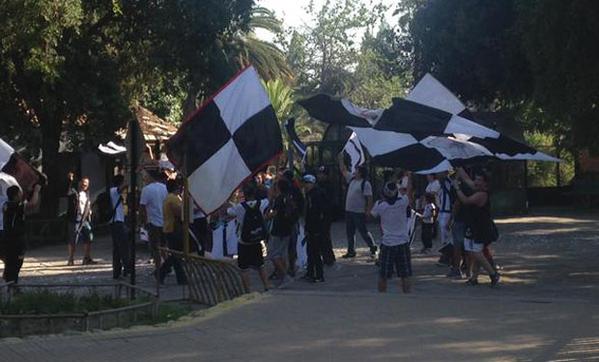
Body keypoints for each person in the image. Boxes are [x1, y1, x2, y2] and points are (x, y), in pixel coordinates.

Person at [451, 168, 500, 287]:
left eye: (479, 180)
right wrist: (458, 166)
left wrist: (457, 188)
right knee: (474, 251)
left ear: (485, 183)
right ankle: (474, 278)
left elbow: (466, 200)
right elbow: (467, 179)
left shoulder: (482, 194)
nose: (476, 181)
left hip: (481, 227)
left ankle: (493, 274)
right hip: (473, 225)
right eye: (476, 179)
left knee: (476, 252)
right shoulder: (477, 188)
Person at [370, 177, 413, 293]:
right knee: (405, 274)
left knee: (383, 275)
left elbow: (372, 214)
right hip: (403, 242)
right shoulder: (403, 202)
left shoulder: (380, 205)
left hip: (387, 243)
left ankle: (382, 298)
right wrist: (409, 176)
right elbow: (409, 191)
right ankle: (407, 296)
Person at [227, 182, 270, 291]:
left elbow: (228, 212)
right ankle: (266, 285)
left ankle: (248, 290)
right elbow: (269, 199)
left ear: (244, 195)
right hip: (256, 239)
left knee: (244, 268)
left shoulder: (239, 208)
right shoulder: (262, 203)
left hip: (244, 241)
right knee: (260, 265)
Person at [2, 184, 42, 283]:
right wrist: (36, 191)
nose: (21, 194)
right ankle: (12, 283)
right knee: (17, 262)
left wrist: (30, 192)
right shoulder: (16, 205)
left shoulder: (7, 204)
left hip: (8, 238)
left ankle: (9, 281)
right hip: (16, 239)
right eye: (20, 193)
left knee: (10, 261)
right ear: (15, 195)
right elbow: (32, 204)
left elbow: (26, 202)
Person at [339, 158, 377, 259]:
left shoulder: (365, 184)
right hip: (349, 211)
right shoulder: (352, 179)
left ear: (360, 173)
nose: (354, 172)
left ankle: (373, 247)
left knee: (363, 231)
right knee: (350, 232)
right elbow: (343, 170)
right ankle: (351, 251)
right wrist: (341, 158)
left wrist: (368, 210)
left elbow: (369, 198)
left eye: (356, 171)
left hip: (358, 212)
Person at [266, 178, 297, 286]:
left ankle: (285, 275)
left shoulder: (279, 199)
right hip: (287, 229)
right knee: (281, 253)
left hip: (278, 230)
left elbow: (273, 213)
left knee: (273, 254)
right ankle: (283, 275)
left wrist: (266, 216)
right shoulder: (288, 198)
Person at [158, 179, 187, 285]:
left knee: (176, 254)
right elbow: (180, 213)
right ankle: (163, 272)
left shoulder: (168, 198)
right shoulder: (173, 199)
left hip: (169, 227)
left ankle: (179, 277)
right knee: (176, 254)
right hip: (173, 228)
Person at [140, 170, 168, 270]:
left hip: (153, 222)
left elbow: (142, 207)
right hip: (165, 221)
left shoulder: (146, 189)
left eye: (145, 176)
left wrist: (144, 221)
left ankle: (159, 268)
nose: (144, 178)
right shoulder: (164, 188)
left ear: (150, 177)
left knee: (155, 248)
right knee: (164, 247)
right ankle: (167, 266)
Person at [303, 174, 327, 283]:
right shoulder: (309, 194)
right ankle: (310, 272)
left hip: (316, 227)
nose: (306, 185)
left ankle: (319, 275)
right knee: (310, 251)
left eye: (308, 183)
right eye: (305, 183)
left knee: (316, 252)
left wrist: (318, 228)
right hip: (311, 227)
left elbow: (319, 213)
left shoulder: (317, 195)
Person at [67, 177, 96, 266]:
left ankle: (87, 258)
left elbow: (88, 205)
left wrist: (89, 213)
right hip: (75, 219)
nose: (85, 185)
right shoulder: (74, 192)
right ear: (80, 183)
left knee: (89, 237)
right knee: (73, 239)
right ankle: (71, 259)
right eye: (83, 183)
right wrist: (70, 181)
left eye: (87, 183)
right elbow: (68, 189)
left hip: (85, 219)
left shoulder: (87, 194)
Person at [110, 174, 130, 279]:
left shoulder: (113, 191)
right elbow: (121, 188)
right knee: (123, 247)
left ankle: (117, 271)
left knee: (117, 248)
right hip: (117, 222)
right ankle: (127, 269)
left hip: (116, 222)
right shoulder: (113, 191)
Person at [316, 166, 335, 266]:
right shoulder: (318, 185)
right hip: (319, 214)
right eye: (319, 174)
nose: (320, 176)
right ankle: (327, 256)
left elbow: (329, 201)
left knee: (324, 236)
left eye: (322, 174)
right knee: (322, 236)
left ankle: (328, 258)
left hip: (326, 214)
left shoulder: (328, 186)